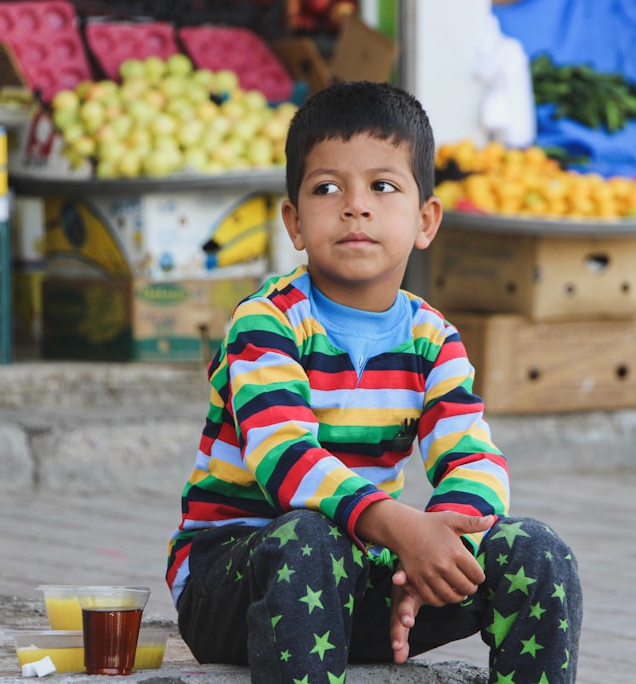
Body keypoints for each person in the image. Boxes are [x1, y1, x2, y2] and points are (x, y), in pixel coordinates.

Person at [166, 80, 582, 683]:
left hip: (364, 576)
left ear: (425, 220)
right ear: (295, 223)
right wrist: (403, 529)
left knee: (537, 552)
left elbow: (475, 460)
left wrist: (438, 545)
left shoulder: (433, 338)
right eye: (327, 188)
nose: (354, 205)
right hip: (237, 581)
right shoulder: (267, 322)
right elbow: (284, 459)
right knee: (310, 538)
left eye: (382, 186)